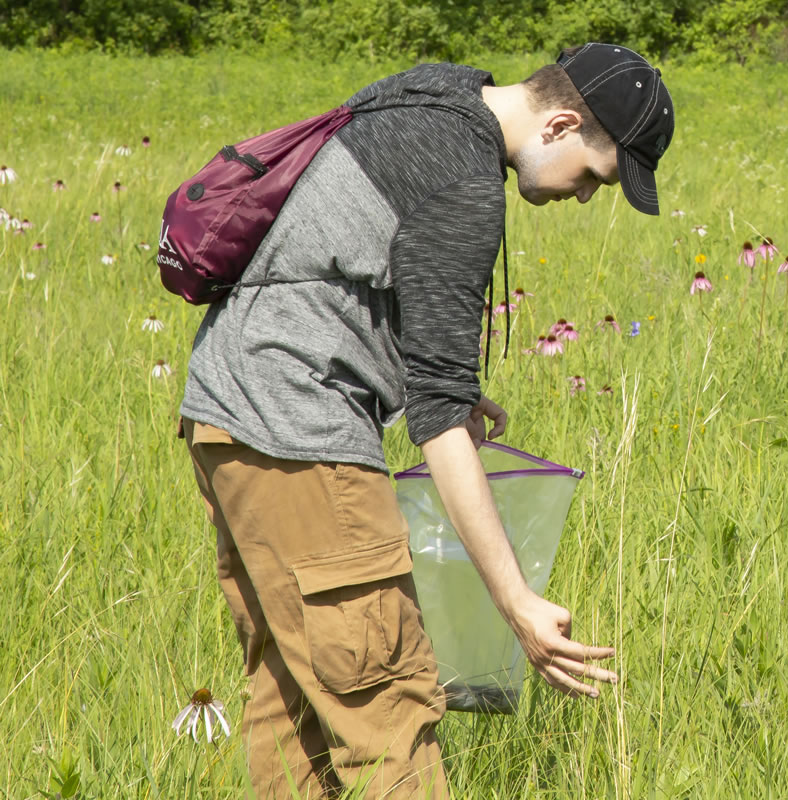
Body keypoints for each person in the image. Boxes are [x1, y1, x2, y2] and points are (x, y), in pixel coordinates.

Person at [177, 43, 674, 798]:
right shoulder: (464, 184)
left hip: (226, 417)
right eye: (596, 177)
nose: (583, 198)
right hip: (301, 433)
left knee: (291, 701)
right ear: (562, 124)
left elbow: (341, 251)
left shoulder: (433, 93)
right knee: (389, 712)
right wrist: (518, 605)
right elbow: (438, 426)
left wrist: (434, 383)